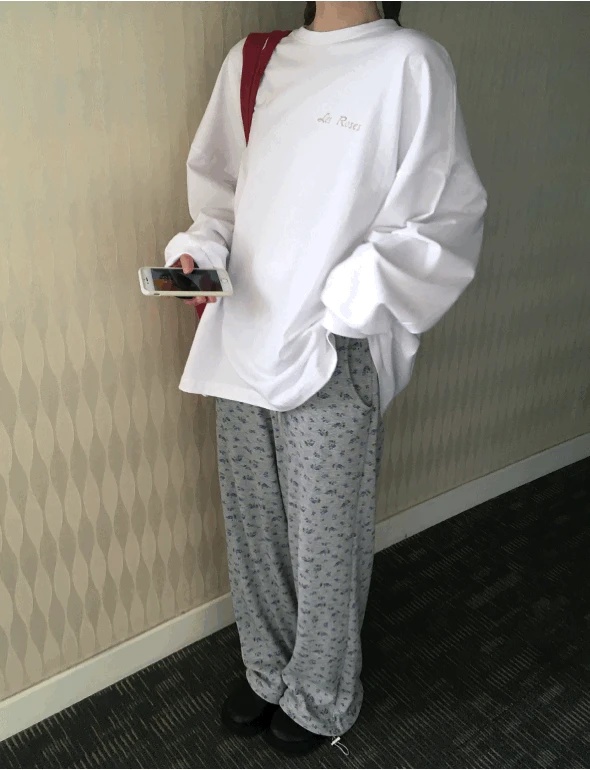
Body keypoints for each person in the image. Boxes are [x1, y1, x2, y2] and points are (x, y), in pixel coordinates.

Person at [164, 0, 487, 756]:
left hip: (331, 349)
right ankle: (267, 668)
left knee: (325, 541)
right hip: (241, 336)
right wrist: (199, 256)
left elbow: (445, 217)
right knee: (255, 529)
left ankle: (321, 695)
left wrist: (342, 305)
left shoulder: (411, 64)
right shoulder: (254, 60)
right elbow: (220, 193)